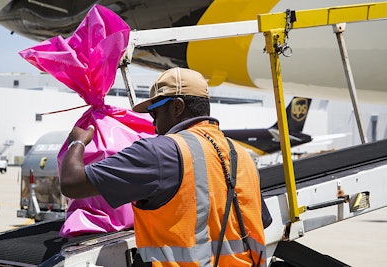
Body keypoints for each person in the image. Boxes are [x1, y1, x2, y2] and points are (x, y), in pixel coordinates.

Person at [60, 67, 267, 266]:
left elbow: (72, 183)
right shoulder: (240, 154)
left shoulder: (160, 152)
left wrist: (77, 142)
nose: (153, 123)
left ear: (177, 107)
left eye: (154, 113)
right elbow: (258, 221)